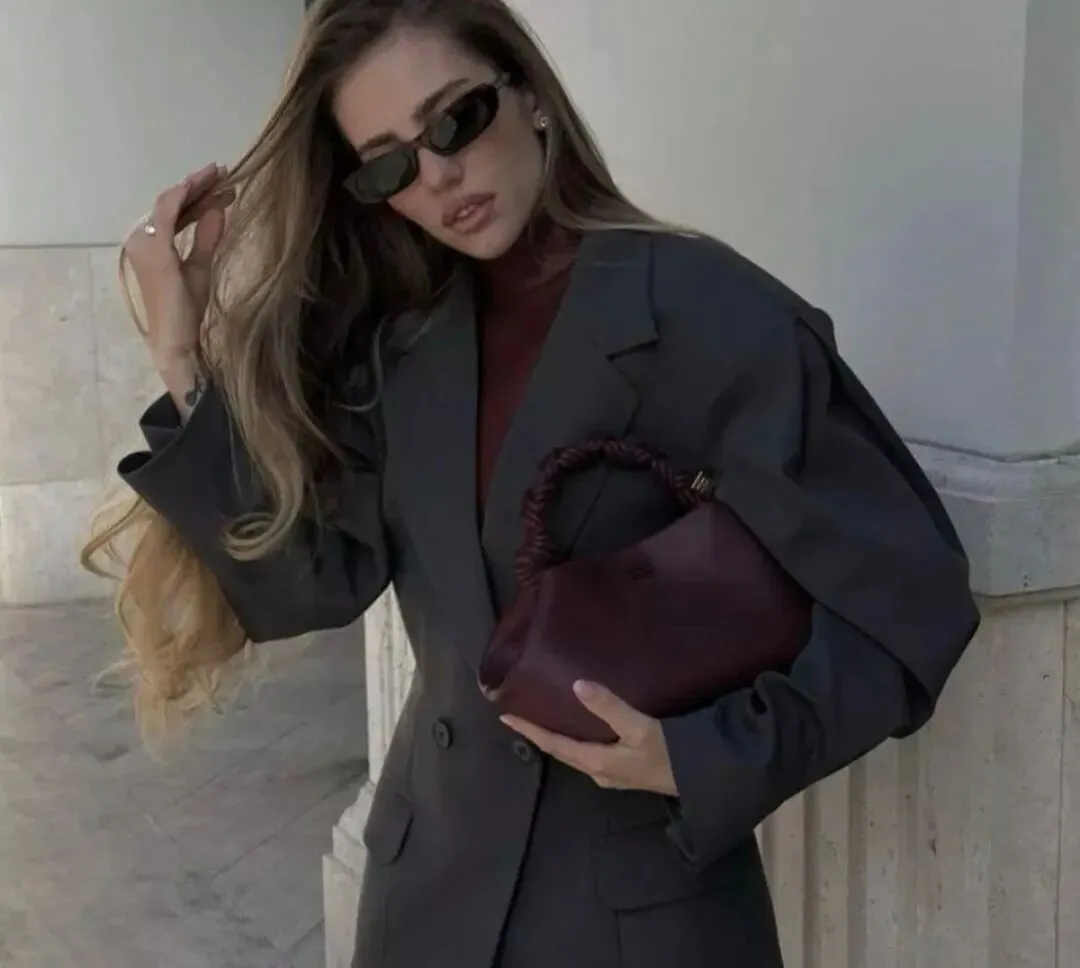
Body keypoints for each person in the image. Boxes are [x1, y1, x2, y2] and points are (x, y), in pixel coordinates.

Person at [82, 0, 980, 965]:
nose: (437, 176)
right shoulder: (404, 338)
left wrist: (706, 755)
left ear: (531, 96)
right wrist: (183, 355)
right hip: (427, 901)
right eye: (388, 165)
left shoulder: (705, 309)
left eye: (455, 120)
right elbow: (314, 585)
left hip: (639, 915)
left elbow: (910, 602)